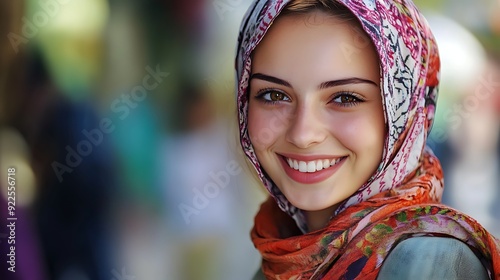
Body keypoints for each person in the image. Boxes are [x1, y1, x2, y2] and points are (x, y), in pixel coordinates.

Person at [234, 0, 500, 279]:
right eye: (274, 95)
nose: (303, 134)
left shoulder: (428, 263)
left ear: (403, 112)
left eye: (345, 98)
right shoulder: (281, 248)